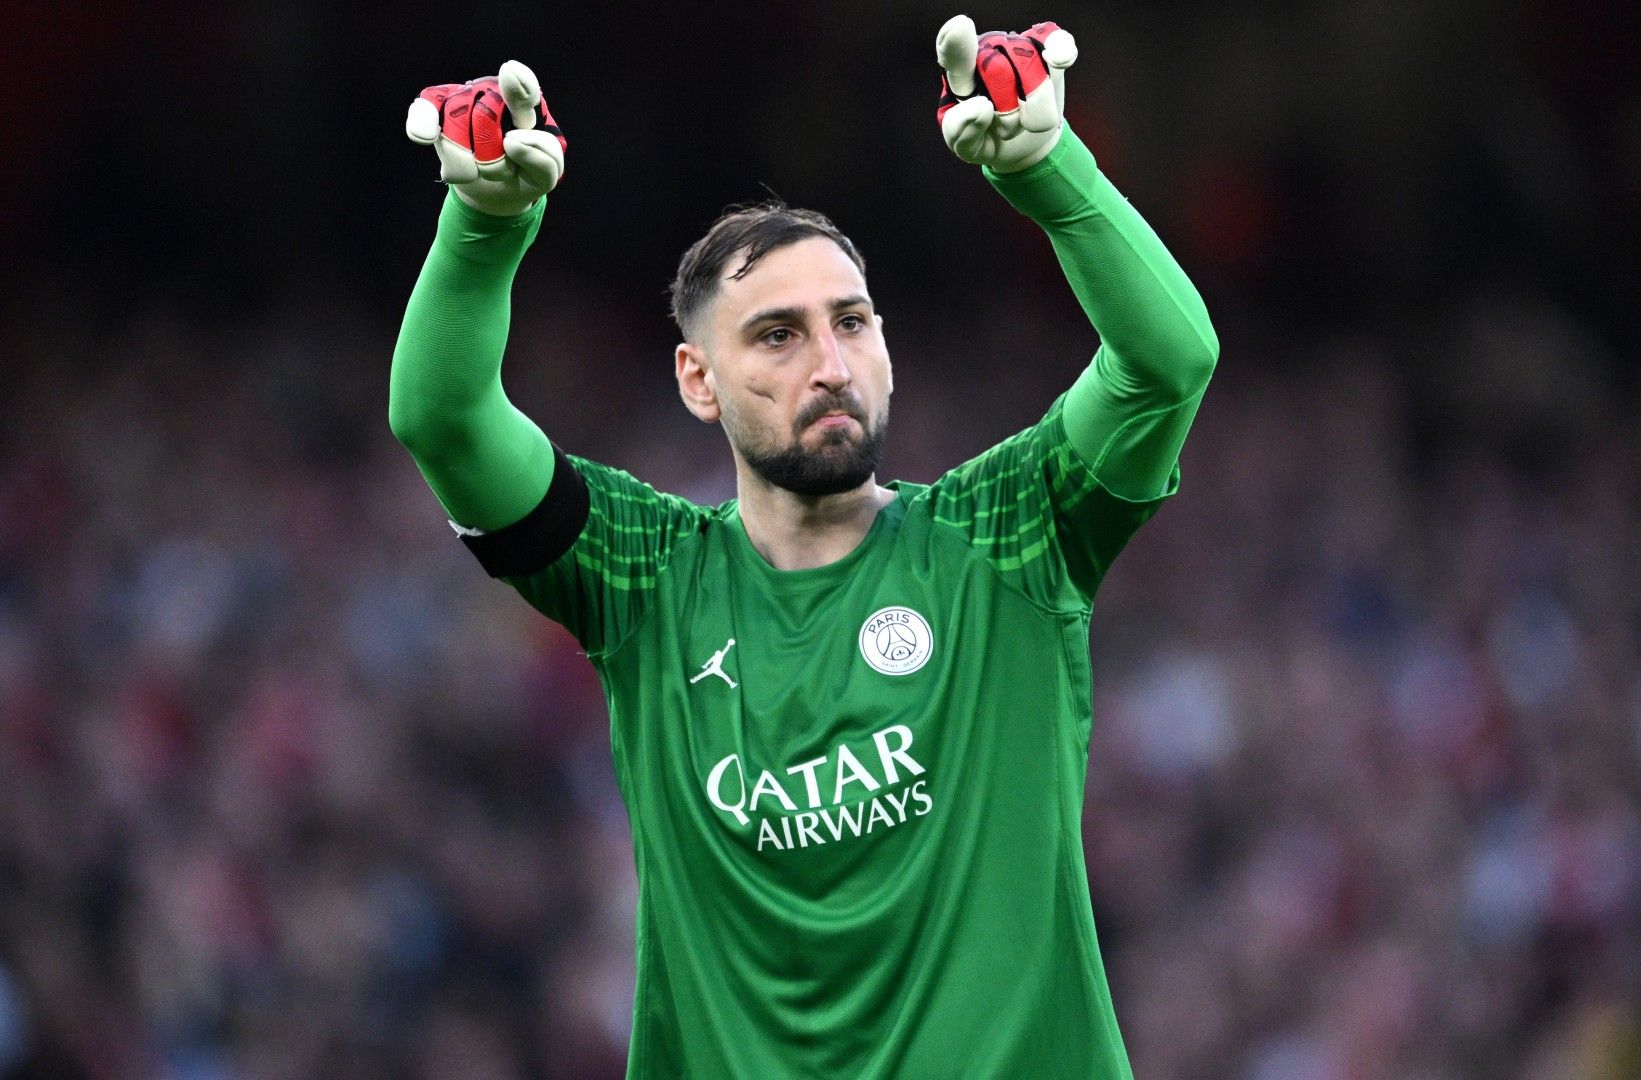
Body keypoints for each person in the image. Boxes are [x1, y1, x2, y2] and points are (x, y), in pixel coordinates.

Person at [389, 15, 1218, 1078]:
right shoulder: (644, 578)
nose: (829, 361)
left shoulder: (1003, 536)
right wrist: (483, 224)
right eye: (777, 335)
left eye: (853, 321)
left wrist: (1053, 168)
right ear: (699, 381)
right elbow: (442, 417)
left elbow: (1170, 361)